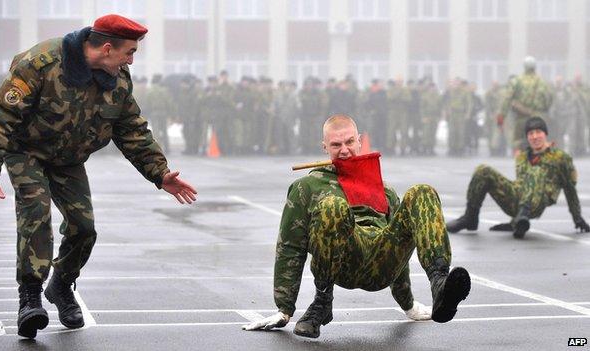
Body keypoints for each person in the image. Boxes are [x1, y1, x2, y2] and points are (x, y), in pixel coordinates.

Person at [0, 14, 198, 339]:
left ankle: (62, 284)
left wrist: (160, 173)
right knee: (35, 213)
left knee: (84, 228)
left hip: (68, 158)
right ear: (107, 49)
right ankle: (30, 297)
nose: (131, 61)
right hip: (27, 151)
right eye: (129, 52)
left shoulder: (117, 78)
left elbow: (130, 128)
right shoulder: (41, 62)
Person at [242, 115, 471, 338]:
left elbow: (400, 248)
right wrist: (284, 309)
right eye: (336, 144)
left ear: (359, 141)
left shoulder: (383, 188)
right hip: (344, 262)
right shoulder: (306, 187)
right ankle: (322, 303)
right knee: (332, 206)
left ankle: (440, 286)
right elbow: (290, 247)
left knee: (422, 192)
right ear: (325, 147)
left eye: (350, 142)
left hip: (381, 265)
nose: (344, 150)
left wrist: (408, 304)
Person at [446, 117, 589, 239]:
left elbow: (570, 188)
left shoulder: (560, 158)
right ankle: (470, 217)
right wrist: (513, 222)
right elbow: (522, 185)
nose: (534, 137)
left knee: (536, 171)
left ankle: (522, 216)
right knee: (483, 170)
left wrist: (578, 218)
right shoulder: (522, 157)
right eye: (531, 133)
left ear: (545, 134)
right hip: (516, 201)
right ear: (527, 137)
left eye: (538, 132)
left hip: (536, 204)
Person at [496, 56, 553, 154]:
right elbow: (549, 99)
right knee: (538, 144)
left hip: (521, 117)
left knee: (518, 142)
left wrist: (501, 116)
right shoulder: (542, 82)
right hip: (538, 118)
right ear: (535, 67)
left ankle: (520, 164)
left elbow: (507, 99)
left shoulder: (517, 81)